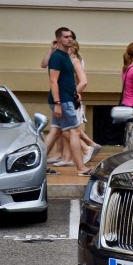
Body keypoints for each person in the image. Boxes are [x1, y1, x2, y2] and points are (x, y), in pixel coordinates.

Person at [47, 27, 93, 176]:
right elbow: (53, 81)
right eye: (66, 37)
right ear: (58, 39)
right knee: (74, 132)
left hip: (67, 98)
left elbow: (67, 80)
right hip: (63, 100)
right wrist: (58, 103)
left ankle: (38, 165)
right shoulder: (57, 57)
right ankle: (81, 168)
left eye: (71, 37)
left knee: (54, 132)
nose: (69, 39)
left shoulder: (66, 56)